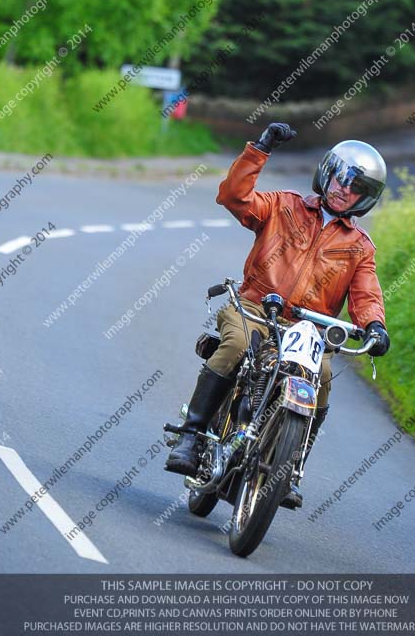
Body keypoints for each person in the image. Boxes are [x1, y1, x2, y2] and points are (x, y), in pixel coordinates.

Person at [165, 123, 390, 507]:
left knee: (319, 379)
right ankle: (191, 433)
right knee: (236, 344)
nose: (344, 188)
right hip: (254, 307)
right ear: (328, 172)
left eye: (356, 187)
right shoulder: (284, 205)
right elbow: (233, 197)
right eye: (342, 177)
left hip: (308, 330)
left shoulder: (359, 247)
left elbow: (366, 292)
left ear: (363, 199)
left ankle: (290, 469)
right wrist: (260, 149)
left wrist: (374, 326)